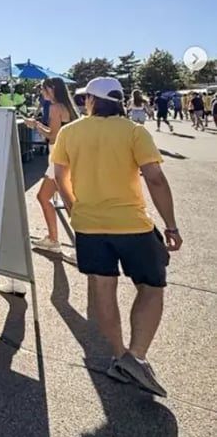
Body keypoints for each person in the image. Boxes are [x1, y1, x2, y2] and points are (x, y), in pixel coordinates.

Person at [51, 77, 182, 397]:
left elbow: (59, 176)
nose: (84, 103)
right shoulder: (135, 132)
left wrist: (73, 209)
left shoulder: (70, 132)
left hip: (89, 226)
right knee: (151, 288)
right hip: (132, 225)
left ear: (93, 101)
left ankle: (118, 354)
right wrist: (171, 225)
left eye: (86, 99)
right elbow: (155, 179)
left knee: (103, 289)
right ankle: (136, 355)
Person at [25, 77, 79, 253]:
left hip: (59, 158)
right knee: (54, 198)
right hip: (66, 157)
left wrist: (35, 125)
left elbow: (53, 136)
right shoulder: (68, 107)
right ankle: (54, 239)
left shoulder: (56, 108)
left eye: (43, 89)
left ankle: (66, 242)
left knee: (64, 202)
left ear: (52, 90)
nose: (41, 93)